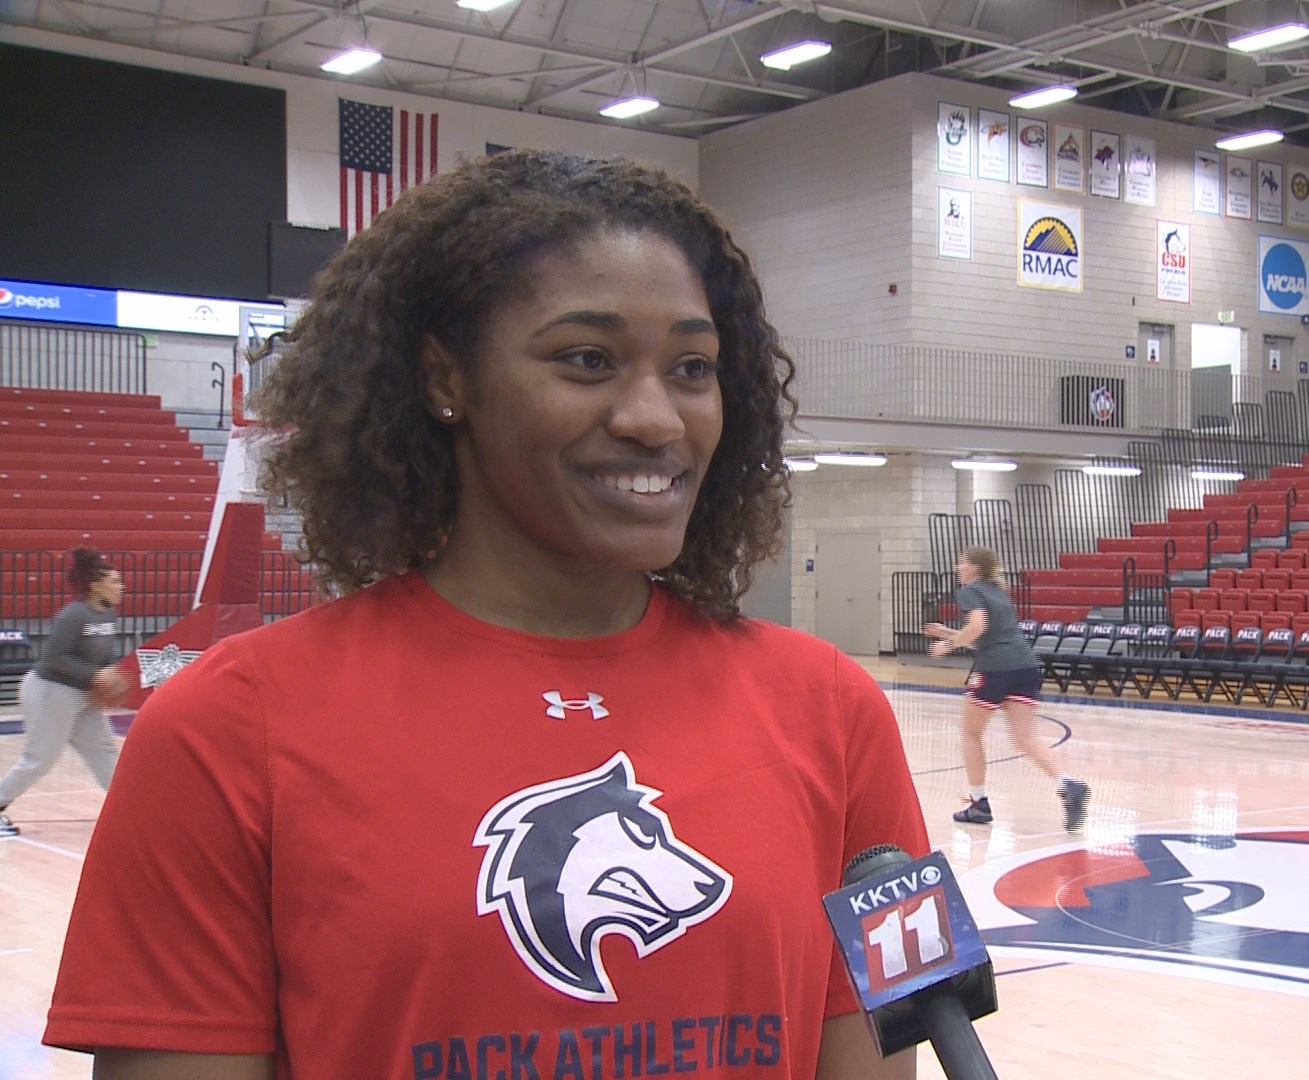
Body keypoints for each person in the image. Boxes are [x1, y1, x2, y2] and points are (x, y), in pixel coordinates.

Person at [44, 150, 928, 1080]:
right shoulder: (226, 731)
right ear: (445, 379)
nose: (655, 417)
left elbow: (895, 1045)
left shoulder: (835, 710)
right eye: (587, 360)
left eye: (692, 367)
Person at [923, 548, 1090, 830]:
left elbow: (977, 627)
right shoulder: (998, 592)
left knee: (970, 734)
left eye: (963, 561)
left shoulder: (971, 591)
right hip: (1025, 667)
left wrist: (948, 645)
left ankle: (978, 803)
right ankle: (1067, 783)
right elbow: (986, 638)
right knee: (1026, 738)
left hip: (996, 670)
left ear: (975, 568)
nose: (958, 565)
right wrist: (949, 633)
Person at [0, 547, 128, 839]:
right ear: (95, 585)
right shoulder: (73, 615)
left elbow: (103, 655)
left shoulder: (107, 614)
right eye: (115, 581)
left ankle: (130, 808)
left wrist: (110, 674)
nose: (121, 587)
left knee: (105, 751)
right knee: (41, 758)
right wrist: (96, 675)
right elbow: (53, 658)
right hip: (50, 690)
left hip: (82, 694)